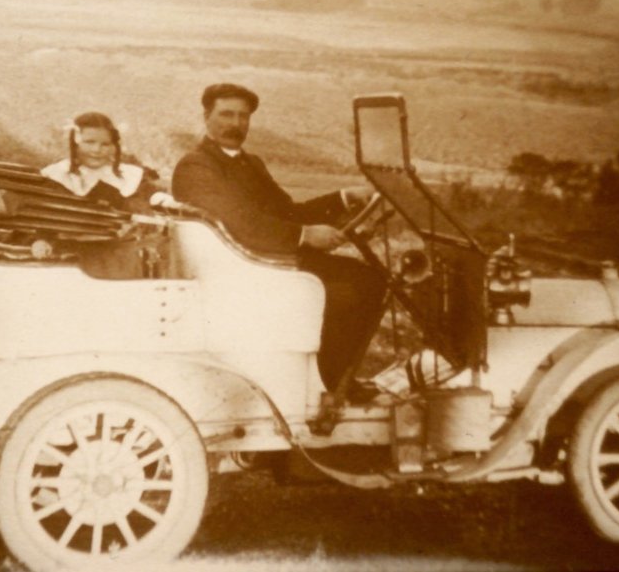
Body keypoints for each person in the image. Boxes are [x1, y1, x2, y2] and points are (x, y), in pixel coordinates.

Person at [172, 83, 387, 399]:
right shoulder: (196, 165)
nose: (235, 124)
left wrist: (343, 198)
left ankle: (334, 379)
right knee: (357, 286)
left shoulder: (250, 163)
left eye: (243, 117)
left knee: (370, 278)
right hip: (239, 270)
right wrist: (305, 235)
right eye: (226, 114)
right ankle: (328, 384)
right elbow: (241, 223)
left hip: (260, 258)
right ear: (207, 118)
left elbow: (286, 210)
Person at [41, 112, 158, 213]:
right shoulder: (57, 176)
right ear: (75, 143)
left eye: (105, 144)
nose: (97, 150)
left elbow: (152, 196)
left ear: (114, 146)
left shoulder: (129, 176)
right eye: (89, 142)